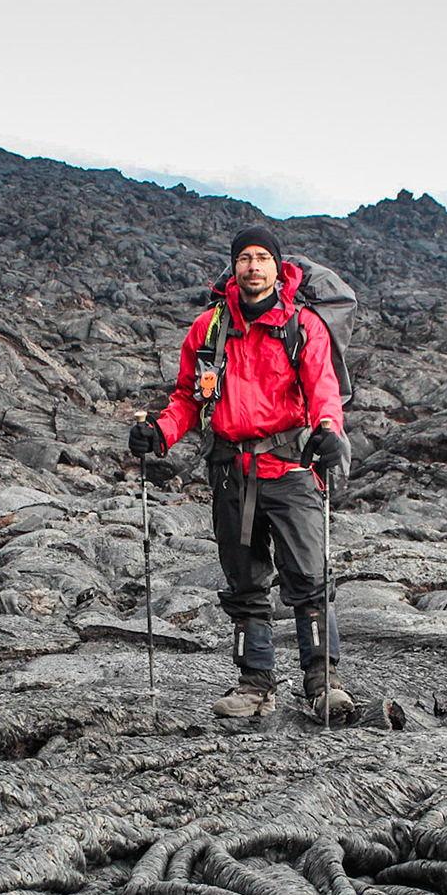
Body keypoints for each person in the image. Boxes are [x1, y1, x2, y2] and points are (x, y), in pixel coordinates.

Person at [130, 226, 353, 720]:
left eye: (262, 258)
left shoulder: (302, 326)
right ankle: (255, 684)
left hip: (291, 469)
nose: (253, 267)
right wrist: (159, 435)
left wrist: (329, 431)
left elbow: (323, 389)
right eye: (245, 258)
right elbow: (188, 396)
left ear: (278, 267)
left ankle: (322, 683)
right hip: (231, 471)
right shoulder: (208, 328)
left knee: (309, 579)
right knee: (244, 584)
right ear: (234, 267)